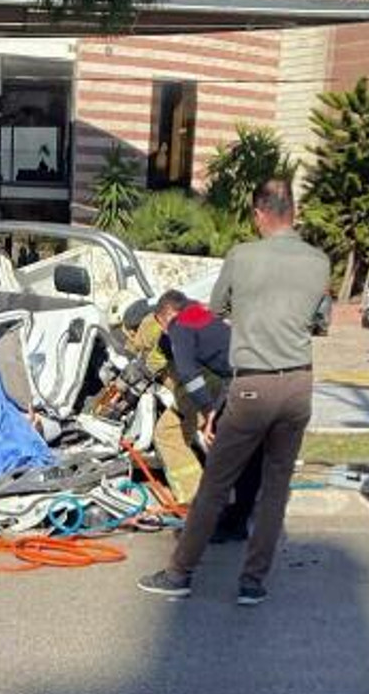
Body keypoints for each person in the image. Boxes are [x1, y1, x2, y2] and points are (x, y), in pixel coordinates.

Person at [137, 179, 330, 606]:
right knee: (275, 489)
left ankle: (179, 574)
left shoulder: (242, 256)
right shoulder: (319, 261)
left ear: (259, 214)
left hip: (252, 385)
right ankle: (252, 583)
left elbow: (217, 308)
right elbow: (320, 319)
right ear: (294, 212)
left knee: (215, 484)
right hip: (299, 385)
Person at [152, 289, 260, 541]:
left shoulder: (179, 326)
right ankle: (237, 522)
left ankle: (207, 525)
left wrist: (208, 409)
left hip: (243, 382)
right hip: (264, 377)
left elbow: (189, 375)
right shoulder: (202, 312)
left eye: (161, 324)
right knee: (245, 456)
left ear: (164, 316)